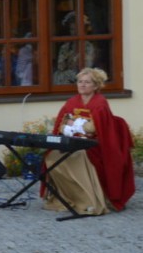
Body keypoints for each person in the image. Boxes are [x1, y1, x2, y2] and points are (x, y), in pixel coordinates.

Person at [41, 67, 135, 215]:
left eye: (87, 82)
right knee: (52, 156)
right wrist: (80, 125)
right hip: (73, 142)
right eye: (80, 81)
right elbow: (62, 125)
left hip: (97, 146)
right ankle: (69, 197)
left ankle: (90, 201)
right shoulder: (72, 102)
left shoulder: (100, 103)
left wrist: (74, 124)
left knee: (79, 155)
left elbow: (95, 130)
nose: (82, 85)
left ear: (96, 86)